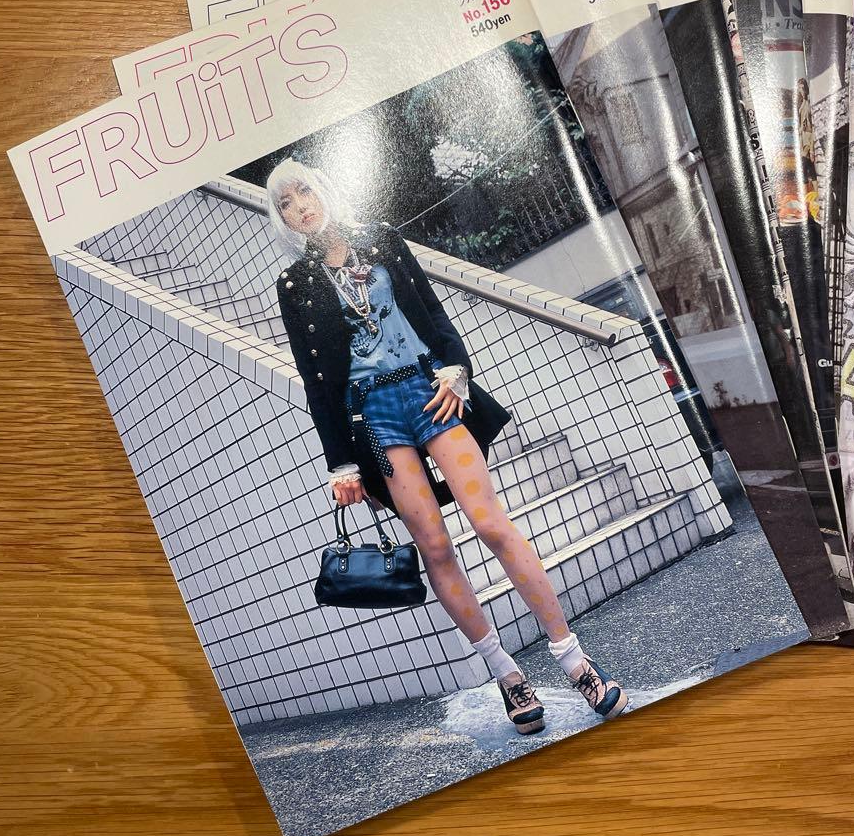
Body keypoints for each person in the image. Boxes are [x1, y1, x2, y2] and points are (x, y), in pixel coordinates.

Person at [267, 157, 628, 732]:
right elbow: (316, 380)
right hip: (372, 417)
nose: (299, 207)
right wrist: (340, 464)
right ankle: (507, 675)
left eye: (304, 191)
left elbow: (433, 315)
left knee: (490, 524)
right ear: (281, 217)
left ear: (324, 188)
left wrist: (456, 370)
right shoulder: (296, 285)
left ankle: (575, 661)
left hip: (429, 392)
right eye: (285, 202)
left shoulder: (381, 239)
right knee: (434, 546)